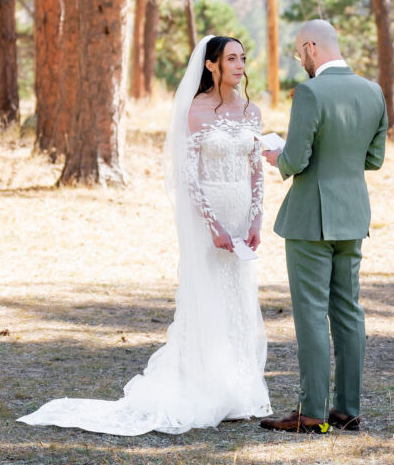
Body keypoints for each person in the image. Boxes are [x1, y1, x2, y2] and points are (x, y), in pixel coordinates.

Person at [18, 36, 270, 436]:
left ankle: (238, 389)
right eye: (231, 59)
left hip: (242, 216)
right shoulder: (196, 111)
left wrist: (255, 219)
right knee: (206, 298)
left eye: (243, 57)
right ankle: (205, 385)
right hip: (210, 218)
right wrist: (214, 226)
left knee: (237, 300)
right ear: (211, 66)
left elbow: (257, 168)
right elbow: (189, 177)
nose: (240, 65)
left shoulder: (252, 111)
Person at [260, 19, 387, 434]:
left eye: (300, 53)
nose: (301, 61)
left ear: (311, 47)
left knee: (312, 313)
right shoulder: (373, 92)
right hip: (353, 215)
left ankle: (312, 410)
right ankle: (346, 409)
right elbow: (374, 159)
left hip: (310, 218)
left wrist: (276, 154)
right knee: (348, 311)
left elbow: (295, 160)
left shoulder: (311, 93)